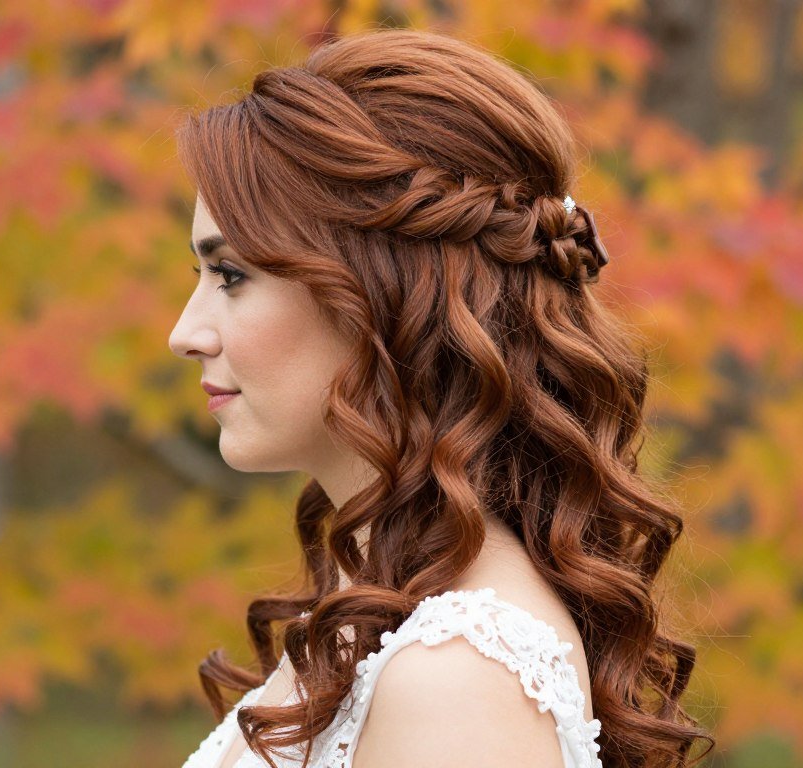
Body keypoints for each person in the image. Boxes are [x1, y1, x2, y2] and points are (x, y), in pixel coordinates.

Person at [168, 27, 713, 768]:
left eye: (231, 276)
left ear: (379, 290)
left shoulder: (459, 677)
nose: (186, 333)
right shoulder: (376, 609)